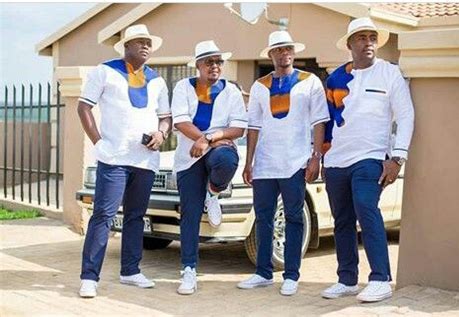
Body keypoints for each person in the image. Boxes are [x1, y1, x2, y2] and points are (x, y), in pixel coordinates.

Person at [320, 17, 415, 302]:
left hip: (371, 157)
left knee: (366, 207)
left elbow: (406, 115)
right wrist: (322, 157)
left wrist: (398, 157)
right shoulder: (336, 78)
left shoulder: (390, 73)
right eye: (361, 38)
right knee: (342, 220)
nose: (368, 42)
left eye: (372, 37)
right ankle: (347, 279)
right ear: (350, 45)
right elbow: (326, 122)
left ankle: (381, 279)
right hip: (336, 160)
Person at [77, 24, 172, 298]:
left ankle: (130, 271)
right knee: (103, 216)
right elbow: (83, 106)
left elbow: (165, 116)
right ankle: (89, 277)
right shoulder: (105, 71)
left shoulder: (157, 80)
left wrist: (161, 132)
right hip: (114, 158)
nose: (145, 46)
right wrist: (98, 142)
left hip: (145, 160)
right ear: (126, 46)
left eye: (148, 43)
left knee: (135, 217)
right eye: (139, 41)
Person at [237, 31, 329, 296]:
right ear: (271, 54)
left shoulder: (309, 81)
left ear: (293, 52)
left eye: (287, 48)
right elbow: (253, 126)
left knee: (293, 217)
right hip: (265, 162)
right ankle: (263, 273)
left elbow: (319, 121)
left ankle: (291, 275)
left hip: (296, 161)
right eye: (278, 49)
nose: (284, 53)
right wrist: (249, 162)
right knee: (263, 218)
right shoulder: (259, 86)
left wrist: (316, 157)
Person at [171, 40, 247, 295]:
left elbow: (238, 128)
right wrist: (203, 140)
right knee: (190, 213)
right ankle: (189, 269)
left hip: (216, 149)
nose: (214, 66)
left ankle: (212, 194)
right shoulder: (183, 87)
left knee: (226, 161)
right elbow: (180, 121)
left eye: (218, 61)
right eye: (209, 62)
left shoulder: (231, 91)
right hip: (188, 156)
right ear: (198, 66)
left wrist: (208, 139)